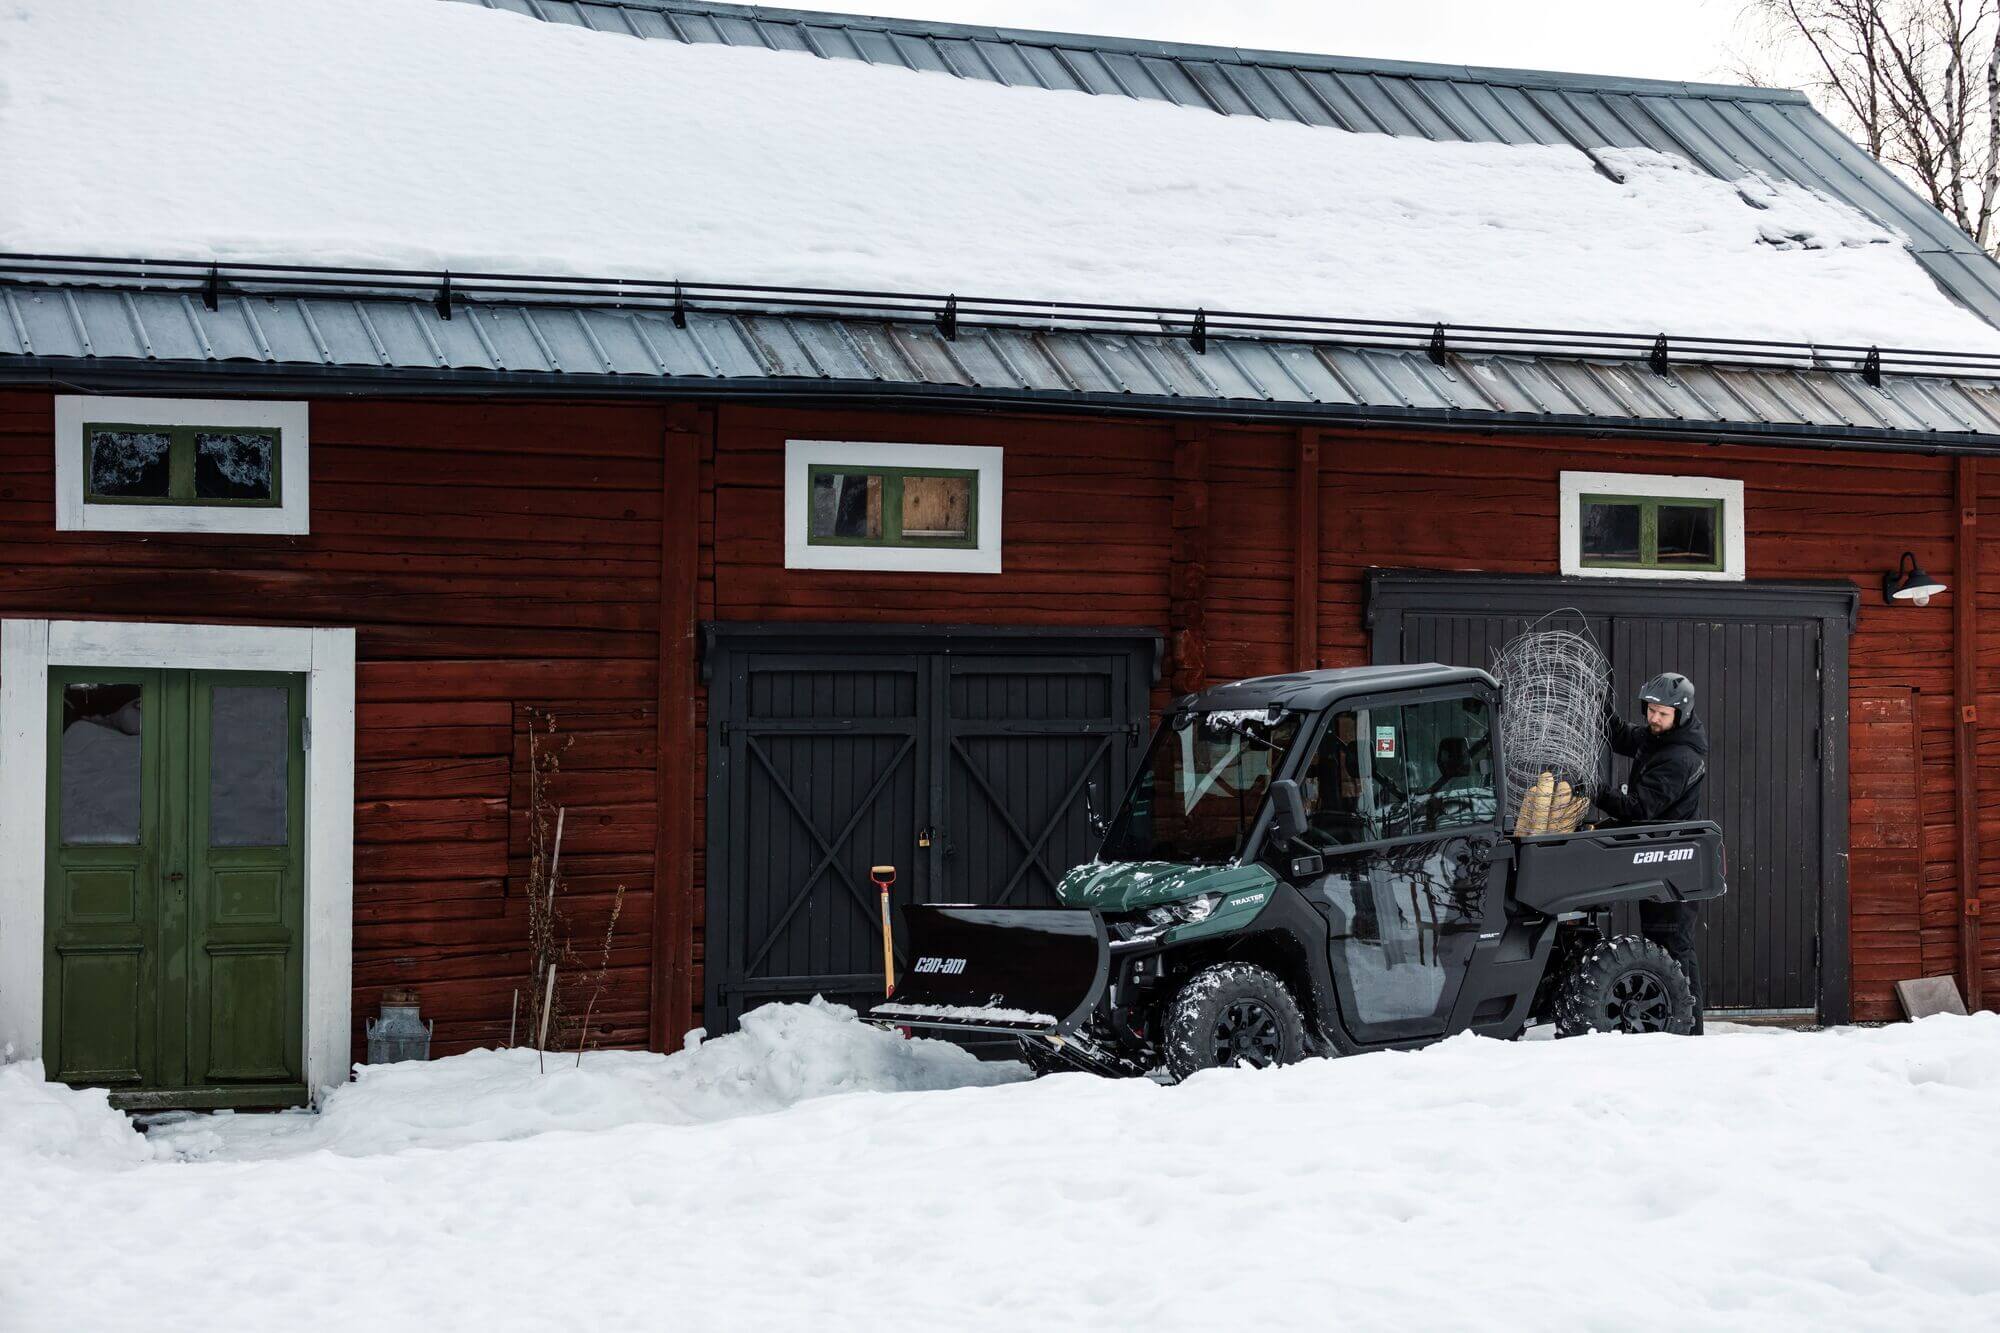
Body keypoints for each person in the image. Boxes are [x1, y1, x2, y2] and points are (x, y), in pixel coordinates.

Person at [1598, 672, 1709, 1031]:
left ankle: (1688, 1030)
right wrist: (1601, 707)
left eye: (1662, 713)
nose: (1653, 719)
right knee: (1666, 945)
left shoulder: (1680, 757)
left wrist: (1596, 791)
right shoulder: (1659, 738)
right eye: (1650, 710)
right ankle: (1680, 1028)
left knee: (1672, 946)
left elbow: (1639, 808)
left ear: (1681, 713)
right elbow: (1623, 736)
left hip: (1674, 864)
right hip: (1659, 855)